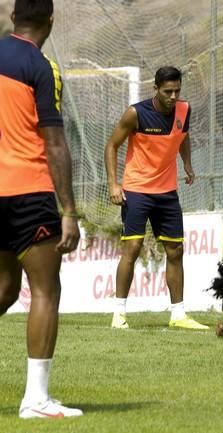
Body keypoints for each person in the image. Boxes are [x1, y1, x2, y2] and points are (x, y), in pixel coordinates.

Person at [0, 0, 82, 418]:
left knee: (4, 289)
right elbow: (53, 143)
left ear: (13, 17)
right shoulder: (41, 67)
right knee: (45, 290)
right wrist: (68, 209)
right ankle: (36, 399)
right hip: (28, 192)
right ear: (51, 20)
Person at [104, 66, 207, 330]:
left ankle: (178, 315)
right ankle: (119, 314)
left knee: (176, 250)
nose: (173, 96)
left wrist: (187, 164)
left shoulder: (184, 110)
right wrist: (114, 184)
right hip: (137, 189)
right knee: (133, 247)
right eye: (167, 91)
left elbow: (182, 136)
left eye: (177, 90)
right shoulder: (136, 113)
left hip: (167, 192)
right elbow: (111, 145)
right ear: (156, 89)